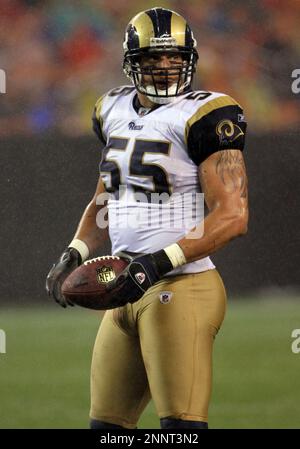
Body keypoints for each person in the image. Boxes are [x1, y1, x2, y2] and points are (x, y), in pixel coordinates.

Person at [46, 7, 248, 429]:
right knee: (106, 430)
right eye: (152, 59)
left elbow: (232, 215)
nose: (164, 67)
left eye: (173, 57)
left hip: (179, 286)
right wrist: (74, 250)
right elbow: (106, 198)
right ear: (130, 64)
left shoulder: (207, 114)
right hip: (125, 285)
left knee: (181, 432)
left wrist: (157, 262)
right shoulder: (111, 107)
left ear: (189, 59)